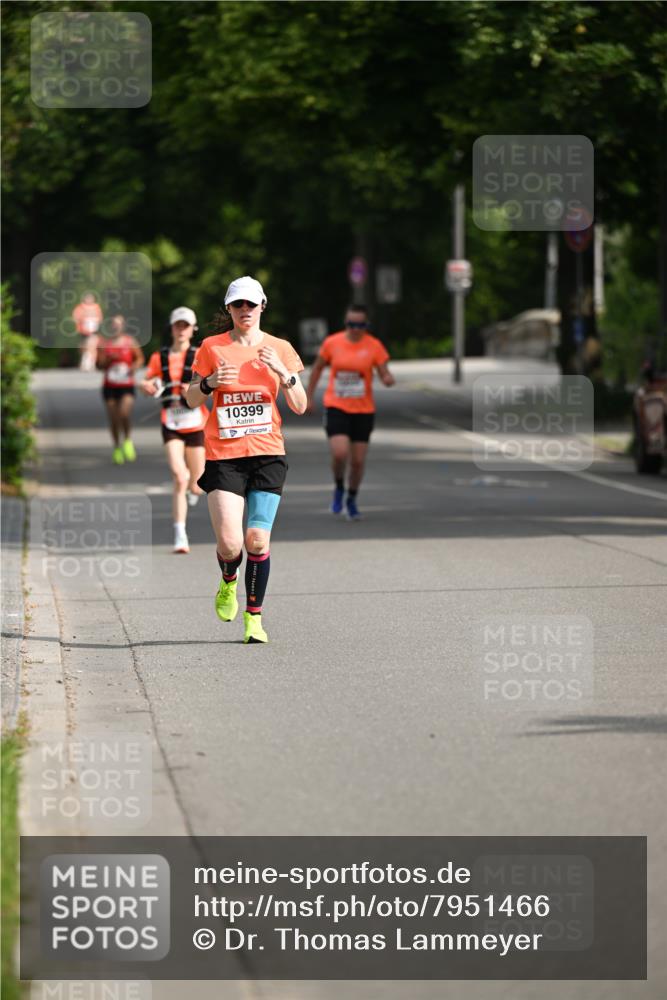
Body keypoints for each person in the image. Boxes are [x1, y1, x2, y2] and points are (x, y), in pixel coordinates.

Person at [186, 276, 306, 644]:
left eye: (251, 305)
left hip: (268, 454)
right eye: (238, 305)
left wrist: (283, 374)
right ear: (229, 309)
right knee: (230, 545)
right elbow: (190, 399)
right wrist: (207, 384)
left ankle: (254, 619)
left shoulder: (279, 348)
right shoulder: (211, 347)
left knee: (256, 540)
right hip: (225, 457)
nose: (245, 311)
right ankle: (227, 579)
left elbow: (301, 406)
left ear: (262, 307)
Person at [306, 304, 395, 519]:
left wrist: (387, 379)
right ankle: (338, 487)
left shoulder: (374, 346)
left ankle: (352, 498)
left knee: (357, 461)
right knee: (340, 453)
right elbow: (317, 368)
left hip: (363, 410)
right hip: (336, 405)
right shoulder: (332, 343)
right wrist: (307, 396)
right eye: (351, 324)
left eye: (360, 325)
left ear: (366, 325)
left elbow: (384, 372)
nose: (355, 328)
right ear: (346, 323)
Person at [140, 307, 206, 554]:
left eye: (186, 325)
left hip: (196, 422)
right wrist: (146, 386)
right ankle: (180, 534)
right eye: (178, 325)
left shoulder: (201, 355)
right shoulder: (160, 356)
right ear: (171, 327)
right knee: (180, 476)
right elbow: (148, 380)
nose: (181, 330)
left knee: (196, 483)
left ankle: (193, 491)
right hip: (171, 423)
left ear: (193, 328)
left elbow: (213, 383)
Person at [96, 314, 144, 465]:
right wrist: (108, 359)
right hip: (109, 386)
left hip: (126, 385)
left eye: (119, 324)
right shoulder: (104, 343)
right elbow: (98, 365)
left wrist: (133, 368)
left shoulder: (130, 342)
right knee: (113, 419)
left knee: (124, 413)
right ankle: (117, 447)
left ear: (123, 326)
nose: (116, 327)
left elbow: (140, 359)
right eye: (113, 324)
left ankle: (127, 440)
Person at [73, 291, 103, 371]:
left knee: (93, 347)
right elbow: (76, 317)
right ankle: (84, 364)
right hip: (83, 331)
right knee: (84, 348)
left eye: (91, 299)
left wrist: (94, 322)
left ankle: (91, 364)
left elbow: (100, 318)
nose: (89, 300)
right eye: (88, 298)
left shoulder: (96, 307)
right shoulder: (80, 307)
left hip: (93, 331)